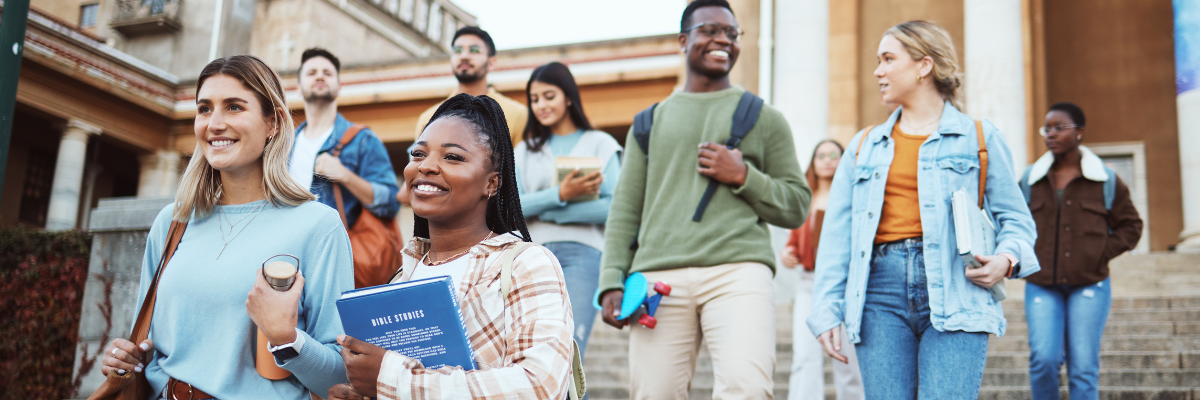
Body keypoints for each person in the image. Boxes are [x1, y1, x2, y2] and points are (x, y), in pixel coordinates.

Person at [807, 20, 1040, 399]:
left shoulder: (979, 138)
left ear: (923, 66)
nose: (878, 70)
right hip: (878, 295)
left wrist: (1007, 258)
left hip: (958, 287)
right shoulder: (864, 146)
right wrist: (827, 309)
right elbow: (836, 238)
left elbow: (1016, 219)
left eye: (887, 59)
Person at [99, 55, 353, 399]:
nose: (214, 123)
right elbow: (150, 346)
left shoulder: (318, 226)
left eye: (234, 107)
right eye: (205, 109)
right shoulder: (173, 223)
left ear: (273, 123)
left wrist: (286, 338)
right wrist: (126, 359)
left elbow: (340, 378)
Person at [596, 1, 811, 398]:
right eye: (710, 30)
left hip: (739, 270)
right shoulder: (648, 121)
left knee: (747, 388)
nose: (722, 41)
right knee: (653, 393)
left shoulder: (764, 118)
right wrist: (611, 281)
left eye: (732, 34)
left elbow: (797, 204)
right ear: (684, 40)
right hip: (659, 278)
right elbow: (626, 209)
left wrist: (744, 176)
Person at [328, 94, 574, 400]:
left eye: (452, 157)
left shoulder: (527, 263)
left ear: (492, 183)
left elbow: (541, 386)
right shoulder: (402, 278)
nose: (426, 166)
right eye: (418, 154)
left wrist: (392, 379)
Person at [1020, 102, 1143, 400]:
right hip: (1042, 284)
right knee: (1044, 359)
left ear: (1079, 133)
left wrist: (1100, 251)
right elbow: (1013, 223)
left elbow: (1131, 226)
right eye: (1046, 128)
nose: (1050, 134)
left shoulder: (1106, 181)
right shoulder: (1029, 180)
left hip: (1090, 283)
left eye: (1058, 127)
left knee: (1083, 367)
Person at [514, 61, 621, 357]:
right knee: (534, 350)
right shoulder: (523, 151)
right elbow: (514, 207)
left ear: (569, 97)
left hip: (584, 254)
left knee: (570, 351)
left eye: (549, 96)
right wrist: (561, 194)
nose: (540, 106)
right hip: (532, 256)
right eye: (534, 99)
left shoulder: (600, 144)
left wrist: (548, 211)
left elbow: (615, 207)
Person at [289, 48, 401, 285]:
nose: (319, 76)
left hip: (336, 264)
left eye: (327, 73)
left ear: (339, 86)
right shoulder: (282, 147)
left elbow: (391, 201)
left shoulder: (362, 140)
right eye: (311, 72)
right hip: (287, 259)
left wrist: (344, 175)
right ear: (298, 87)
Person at [783, 139, 864, 400]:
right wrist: (788, 254)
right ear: (813, 163)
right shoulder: (804, 200)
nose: (827, 160)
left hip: (847, 286)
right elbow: (792, 244)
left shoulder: (854, 198)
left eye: (833, 155)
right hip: (809, 284)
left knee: (847, 358)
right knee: (805, 356)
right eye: (821, 155)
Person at [414, 27, 528, 147]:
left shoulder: (517, 114)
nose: (464, 56)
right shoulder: (428, 118)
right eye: (458, 51)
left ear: (491, 62)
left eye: (474, 50)